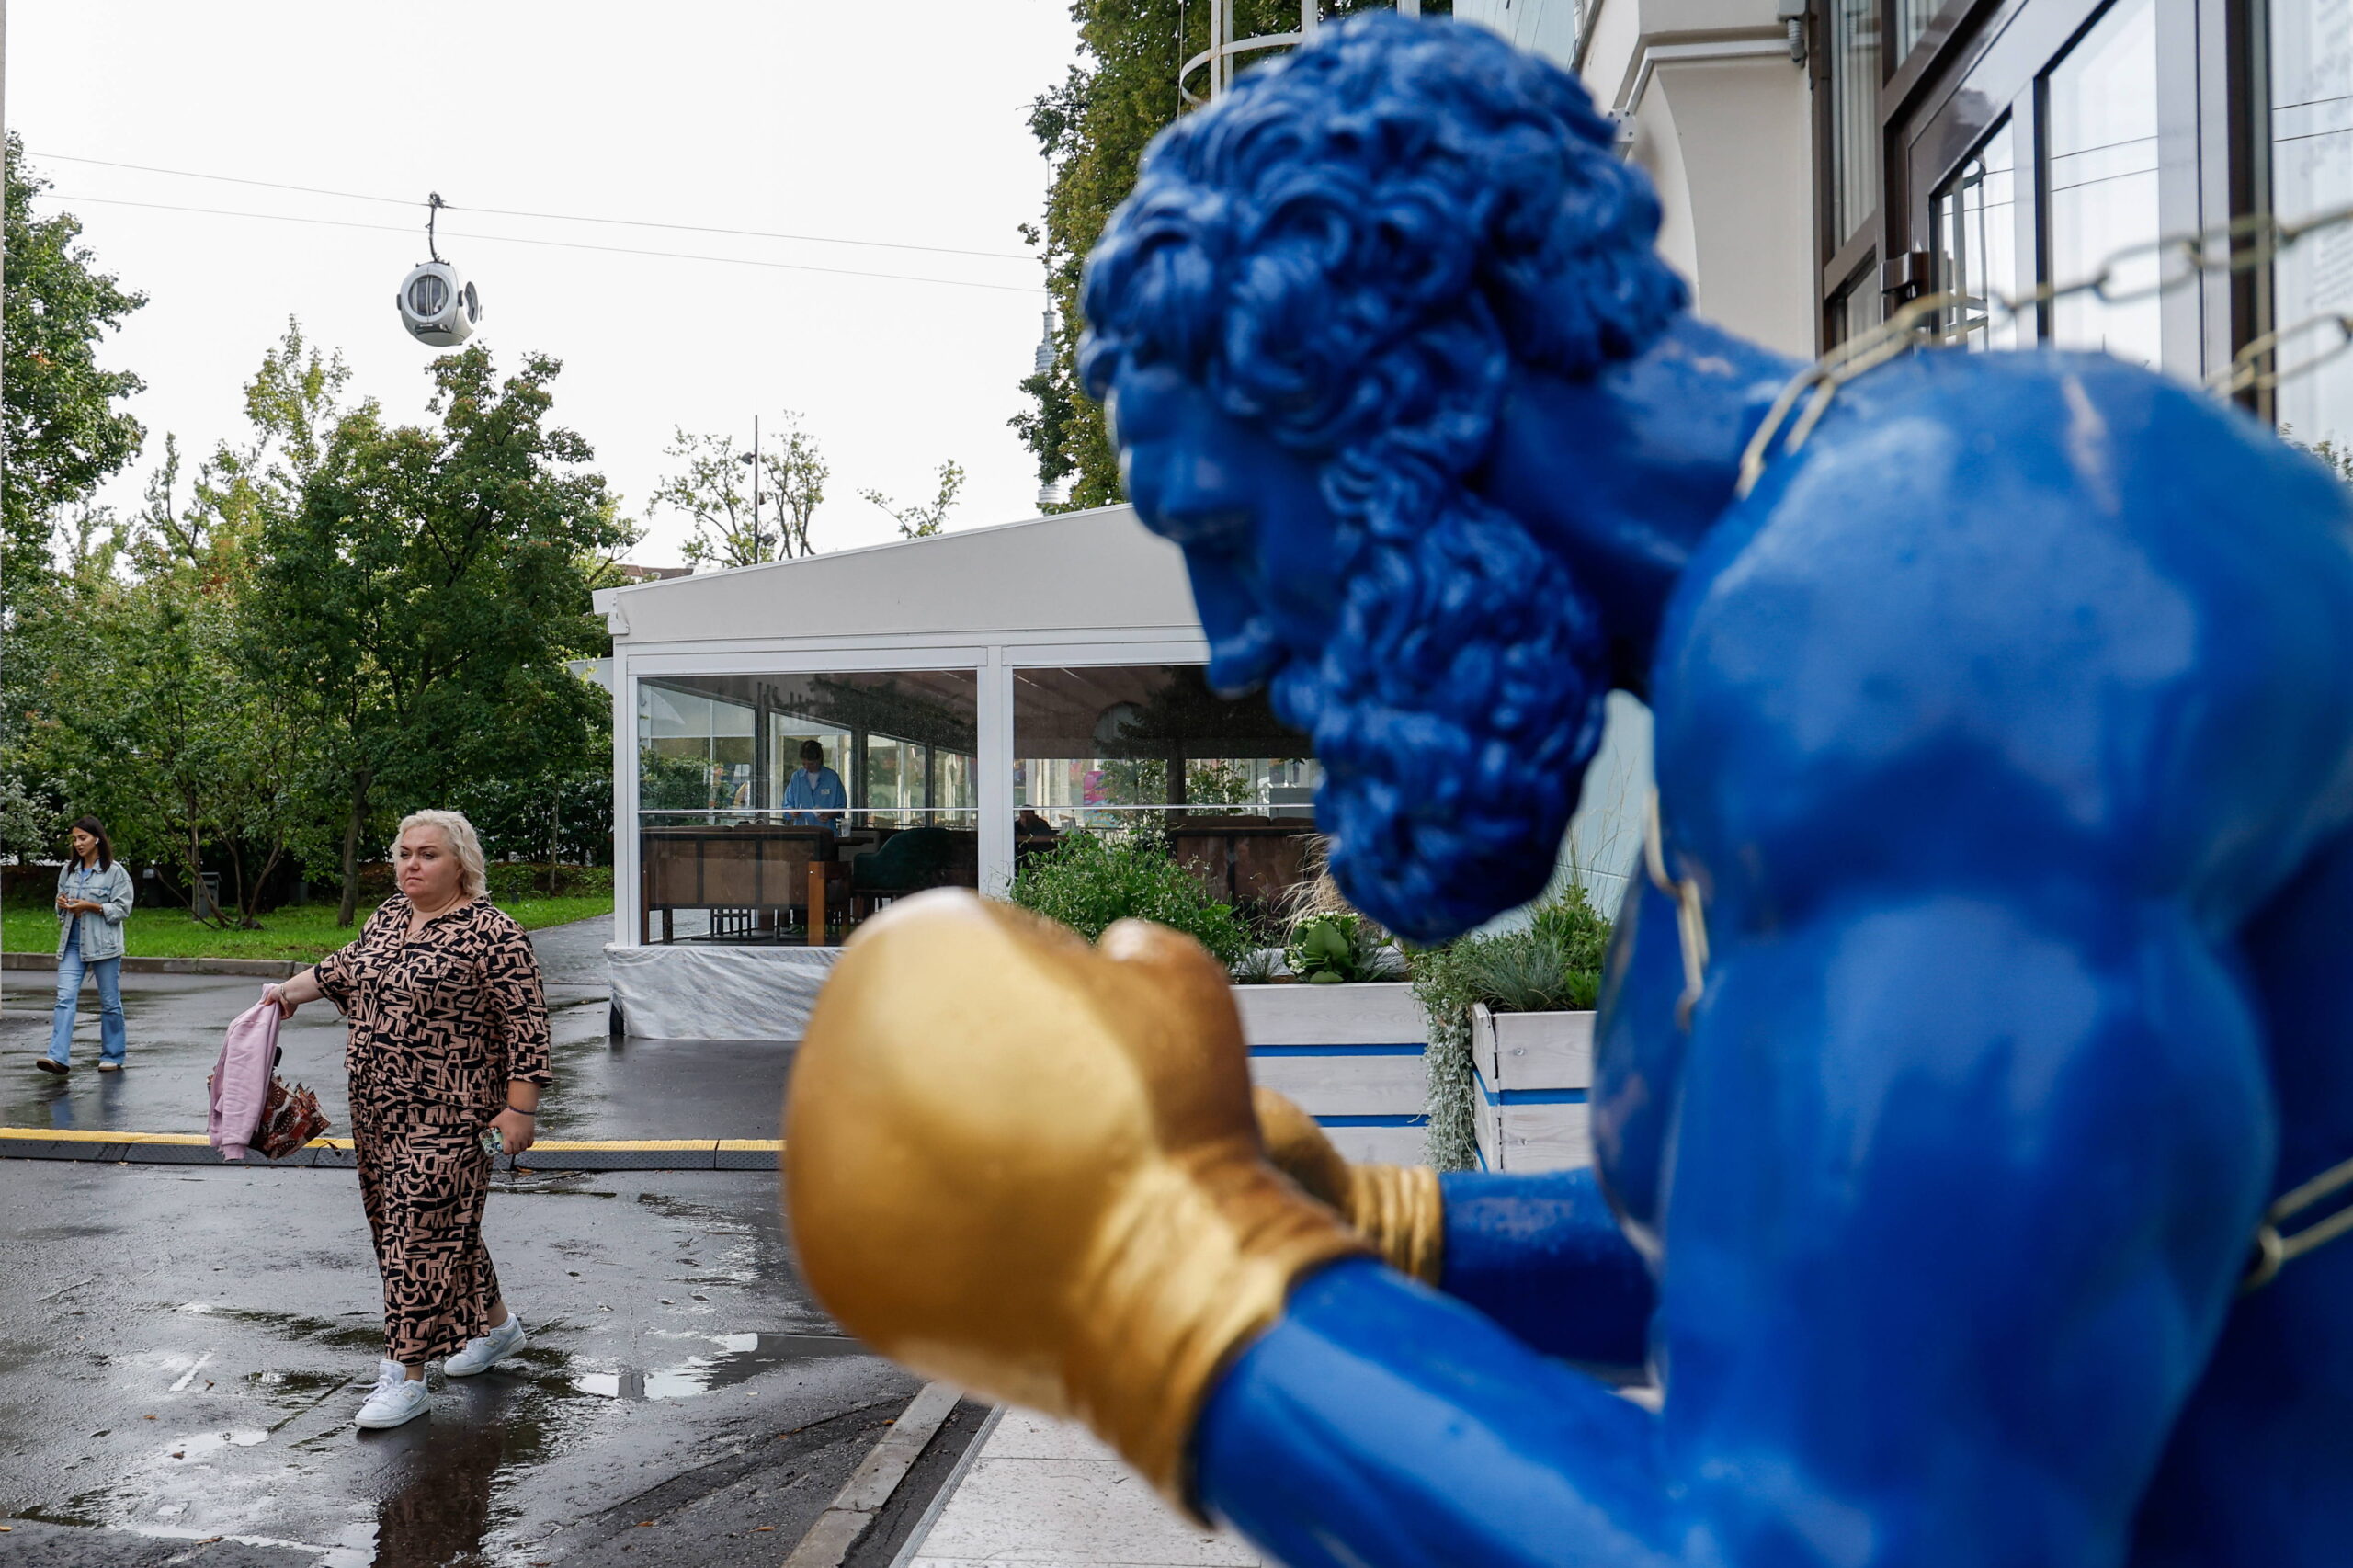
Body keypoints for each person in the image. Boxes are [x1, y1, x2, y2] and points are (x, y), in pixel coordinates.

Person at [781, 15, 2353, 1568]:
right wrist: (1381, 1230)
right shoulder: (1788, 651)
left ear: (1430, 375)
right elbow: (1866, 1276)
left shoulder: (1934, 621)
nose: (1238, 641)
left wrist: (1151, 1269)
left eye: (1231, 532)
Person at [265, 810, 551, 1431]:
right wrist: (286, 992)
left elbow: (526, 1028)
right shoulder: (389, 917)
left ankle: (404, 1374)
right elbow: (345, 968)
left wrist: (521, 1107)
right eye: (403, 853)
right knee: (432, 1227)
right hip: (378, 1112)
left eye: (427, 855)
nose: (411, 865)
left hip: (453, 1115)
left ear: (461, 865)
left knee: (416, 1235)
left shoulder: (494, 933)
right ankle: (499, 1329)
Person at [38, 816, 133, 1074]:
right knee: (64, 998)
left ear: (97, 839)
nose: (78, 843)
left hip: (104, 945)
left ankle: (112, 1055)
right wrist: (62, 905)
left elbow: (123, 909)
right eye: (75, 839)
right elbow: (60, 907)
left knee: (110, 1002)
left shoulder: (115, 871)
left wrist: (90, 906)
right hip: (72, 943)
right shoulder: (69, 870)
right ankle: (57, 1057)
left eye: (83, 838)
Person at [781, 739, 847, 828]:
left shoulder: (832, 778)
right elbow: (786, 805)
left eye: (812, 764)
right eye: (804, 764)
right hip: (802, 832)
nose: (807, 767)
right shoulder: (796, 778)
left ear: (819, 759)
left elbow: (841, 807)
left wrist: (829, 815)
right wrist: (792, 812)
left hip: (826, 832)